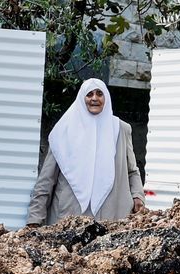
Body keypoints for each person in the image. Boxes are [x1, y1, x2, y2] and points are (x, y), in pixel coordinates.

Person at [26, 78, 145, 227]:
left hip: (110, 216)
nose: (94, 98)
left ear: (106, 98)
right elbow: (47, 179)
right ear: (82, 99)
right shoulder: (64, 130)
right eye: (89, 94)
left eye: (99, 94)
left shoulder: (121, 129)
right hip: (69, 215)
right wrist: (34, 219)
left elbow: (132, 171)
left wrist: (138, 196)